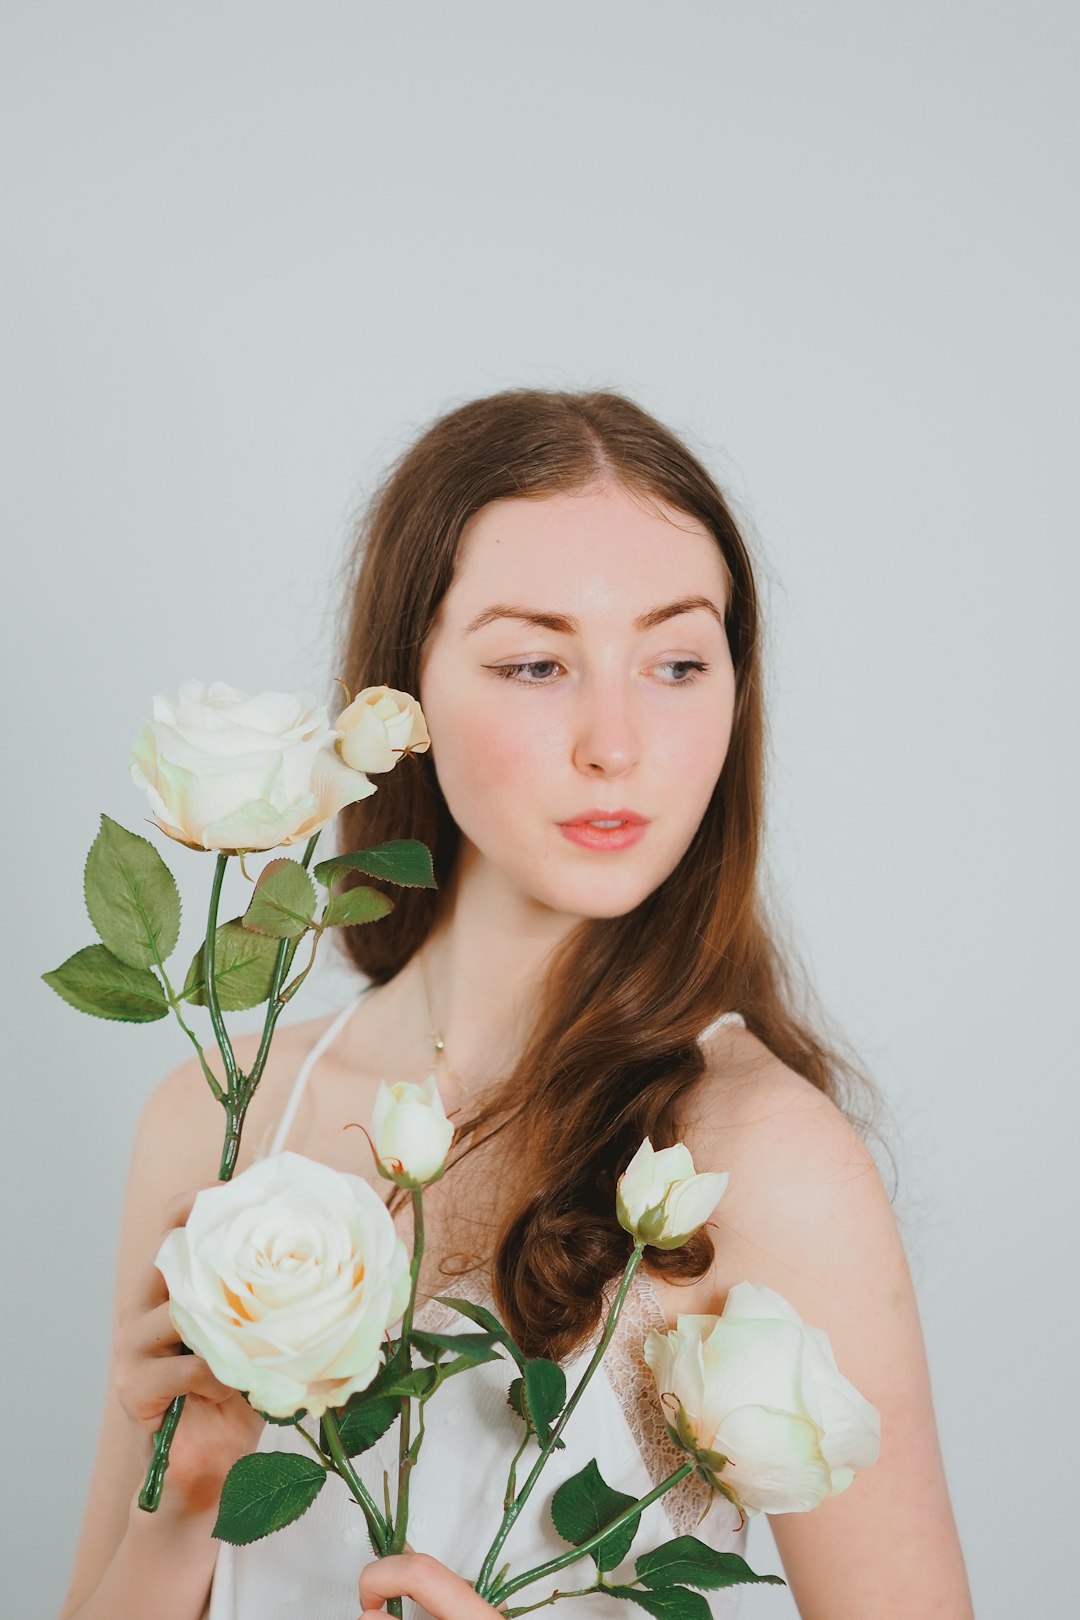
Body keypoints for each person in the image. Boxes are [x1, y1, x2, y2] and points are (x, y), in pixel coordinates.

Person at [58, 389, 974, 1620]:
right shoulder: (218, 1119)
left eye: (677, 662)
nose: (616, 739)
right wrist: (181, 1520)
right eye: (537, 663)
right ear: (407, 694)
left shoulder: (761, 1157)